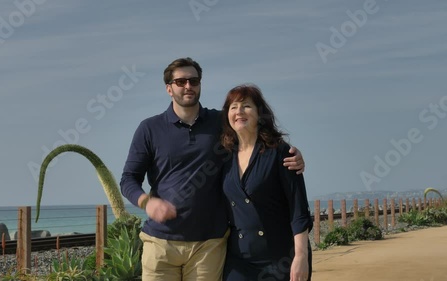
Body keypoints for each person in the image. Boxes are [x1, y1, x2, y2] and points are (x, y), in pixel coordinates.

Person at [120, 57, 306, 281]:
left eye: (194, 81)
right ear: (169, 88)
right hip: (161, 243)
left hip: (209, 246)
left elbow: (255, 137)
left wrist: (292, 154)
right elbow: (128, 179)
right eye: (181, 82)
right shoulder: (149, 128)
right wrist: (146, 202)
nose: (188, 86)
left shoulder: (222, 123)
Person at [220, 84, 312, 281]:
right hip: (239, 260)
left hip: (279, 257)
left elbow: (298, 209)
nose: (239, 112)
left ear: (259, 114)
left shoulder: (280, 152)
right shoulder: (224, 157)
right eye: (233, 107)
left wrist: (301, 256)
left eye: (246, 106)